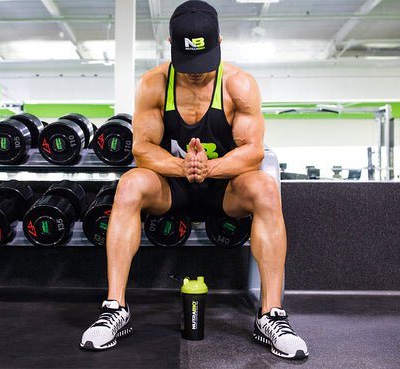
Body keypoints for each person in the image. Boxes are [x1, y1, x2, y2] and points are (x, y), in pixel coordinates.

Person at [80, 0, 308, 360]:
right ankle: (115, 308)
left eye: (204, 65)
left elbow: (253, 151)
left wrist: (211, 169)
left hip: (225, 187)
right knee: (130, 184)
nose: (197, 74)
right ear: (171, 46)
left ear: (218, 42)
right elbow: (142, 149)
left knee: (265, 186)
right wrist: (183, 167)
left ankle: (271, 316)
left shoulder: (239, 85)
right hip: (176, 183)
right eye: (188, 67)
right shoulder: (153, 84)